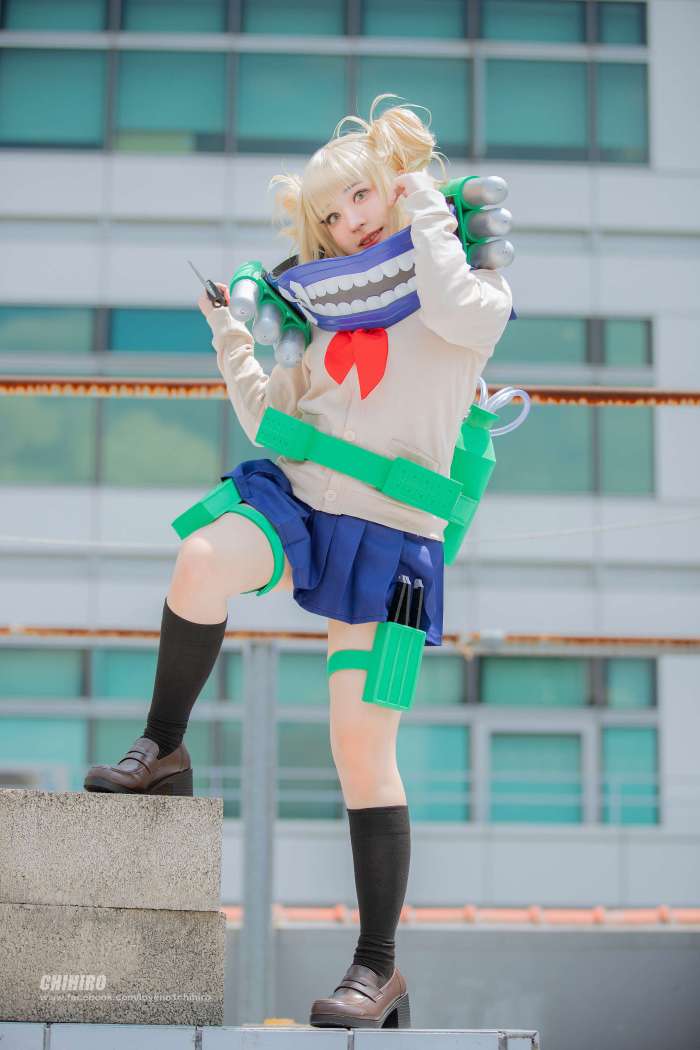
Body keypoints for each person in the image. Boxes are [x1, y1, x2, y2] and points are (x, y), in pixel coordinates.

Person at [84, 94, 513, 1029]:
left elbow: (447, 300)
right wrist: (232, 337)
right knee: (201, 557)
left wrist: (425, 203)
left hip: (394, 545)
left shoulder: (474, 296)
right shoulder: (317, 308)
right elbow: (275, 421)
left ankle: (378, 969)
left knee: (361, 747)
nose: (348, 221)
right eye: (330, 212)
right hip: (302, 503)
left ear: (395, 185)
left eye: (361, 195)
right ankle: (163, 746)